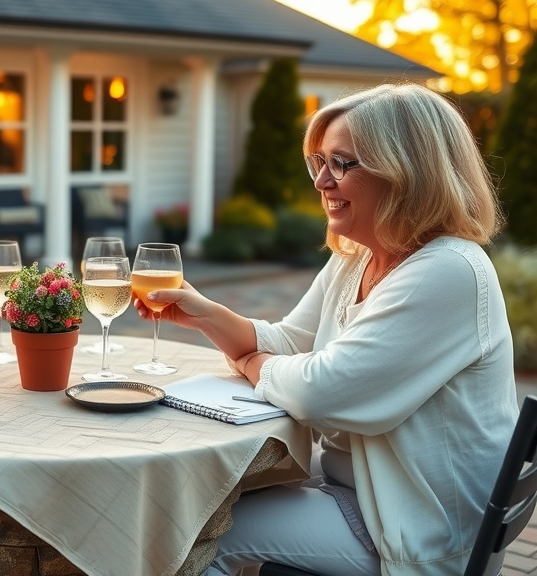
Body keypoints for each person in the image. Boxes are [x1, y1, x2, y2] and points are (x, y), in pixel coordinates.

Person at [136, 84, 517, 576]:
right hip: (366, 487)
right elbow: (291, 344)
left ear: (407, 172)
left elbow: (320, 392)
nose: (321, 182)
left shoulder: (449, 271)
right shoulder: (357, 259)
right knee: (216, 491)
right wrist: (204, 314)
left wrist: (255, 365)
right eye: (319, 162)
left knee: (199, 529)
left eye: (342, 164)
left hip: (414, 524)